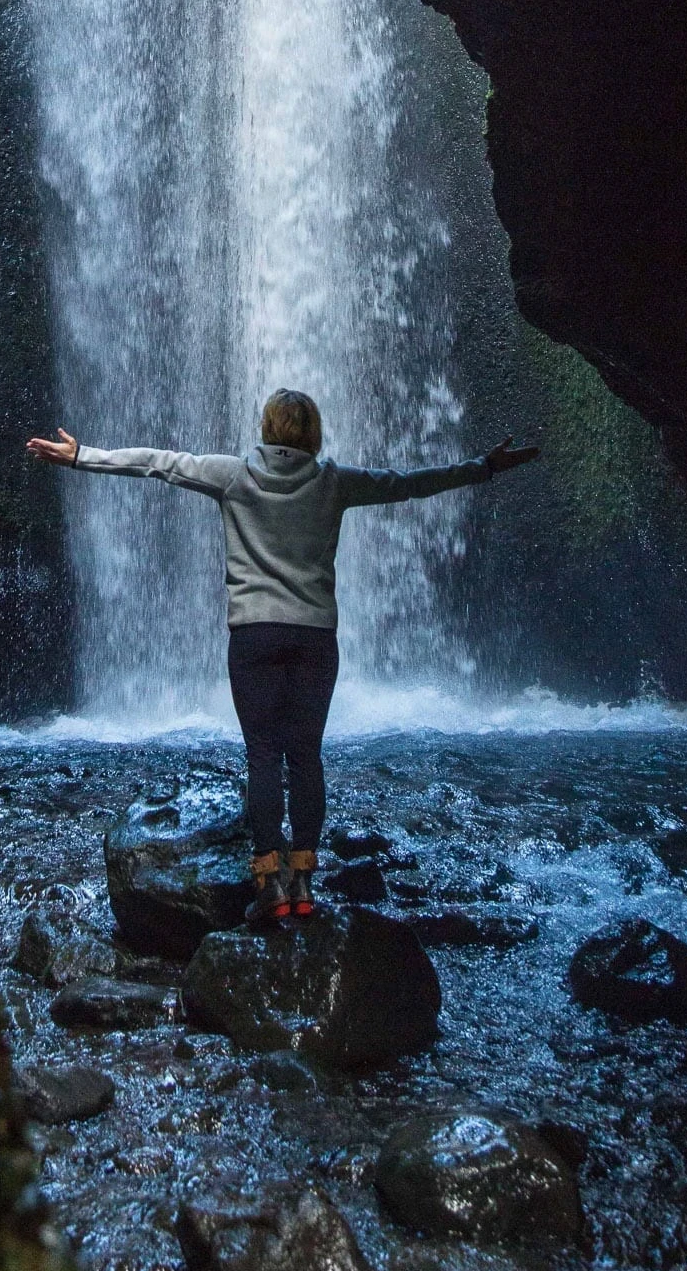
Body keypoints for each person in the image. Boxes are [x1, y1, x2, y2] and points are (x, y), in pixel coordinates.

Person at [27, 388, 538, 928]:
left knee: (264, 758)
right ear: (313, 433)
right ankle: (303, 882)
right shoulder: (334, 481)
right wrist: (483, 468)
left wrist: (84, 456)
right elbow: (408, 484)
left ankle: (267, 884)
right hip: (315, 637)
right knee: (306, 757)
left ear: (266, 428)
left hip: (254, 636)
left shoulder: (233, 475)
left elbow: (160, 464)